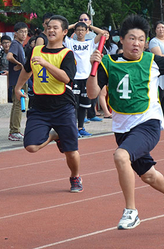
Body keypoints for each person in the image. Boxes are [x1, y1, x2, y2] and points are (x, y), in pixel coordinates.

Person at [87, 14, 164, 230]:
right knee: (148, 176)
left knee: (121, 156)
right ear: (122, 40)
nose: (137, 43)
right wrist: (92, 70)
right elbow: (92, 93)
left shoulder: (152, 60)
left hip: (148, 124)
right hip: (122, 128)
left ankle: (131, 211)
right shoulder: (109, 63)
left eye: (141, 39)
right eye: (132, 38)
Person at [14, 15, 83, 192]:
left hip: (63, 107)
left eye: (56, 28)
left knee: (71, 150)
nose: (51, 31)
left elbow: (66, 78)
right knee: (30, 146)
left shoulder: (67, 54)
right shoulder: (35, 50)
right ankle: (54, 136)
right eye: (49, 27)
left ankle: (75, 177)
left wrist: (46, 64)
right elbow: (27, 69)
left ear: (65, 32)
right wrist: (18, 87)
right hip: (39, 107)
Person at [64, 21, 108, 137]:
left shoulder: (90, 43)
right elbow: (62, 32)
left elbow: (103, 33)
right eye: (78, 30)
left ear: (86, 31)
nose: (80, 32)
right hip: (74, 78)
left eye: (83, 30)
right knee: (74, 105)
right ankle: (73, 129)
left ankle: (81, 127)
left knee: (84, 105)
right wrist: (73, 25)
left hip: (86, 78)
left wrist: (89, 26)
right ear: (75, 31)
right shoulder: (70, 42)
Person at [7, 22, 28, 141]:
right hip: (18, 80)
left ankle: (14, 130)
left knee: (17, 105)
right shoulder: (15, 44)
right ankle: (14, 131)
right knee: (18, 105)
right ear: (16, 33)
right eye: (21, 32)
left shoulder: (19, 45)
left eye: (25, 32)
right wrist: (19, 64)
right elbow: (9, 56)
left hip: (20, 79)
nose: (24, 34)